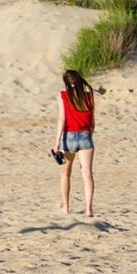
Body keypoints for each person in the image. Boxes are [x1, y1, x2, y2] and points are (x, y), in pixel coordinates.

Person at [54, 69, 96, 217]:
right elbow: (92, 123)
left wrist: (57, 141)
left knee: (65, 172)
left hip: (68, 136)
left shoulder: (63, 96)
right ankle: (88, 209)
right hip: (85, 135)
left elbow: (62, 119)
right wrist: (88, 136)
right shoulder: (88, 96)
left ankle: (65, 206)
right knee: (87, 173)